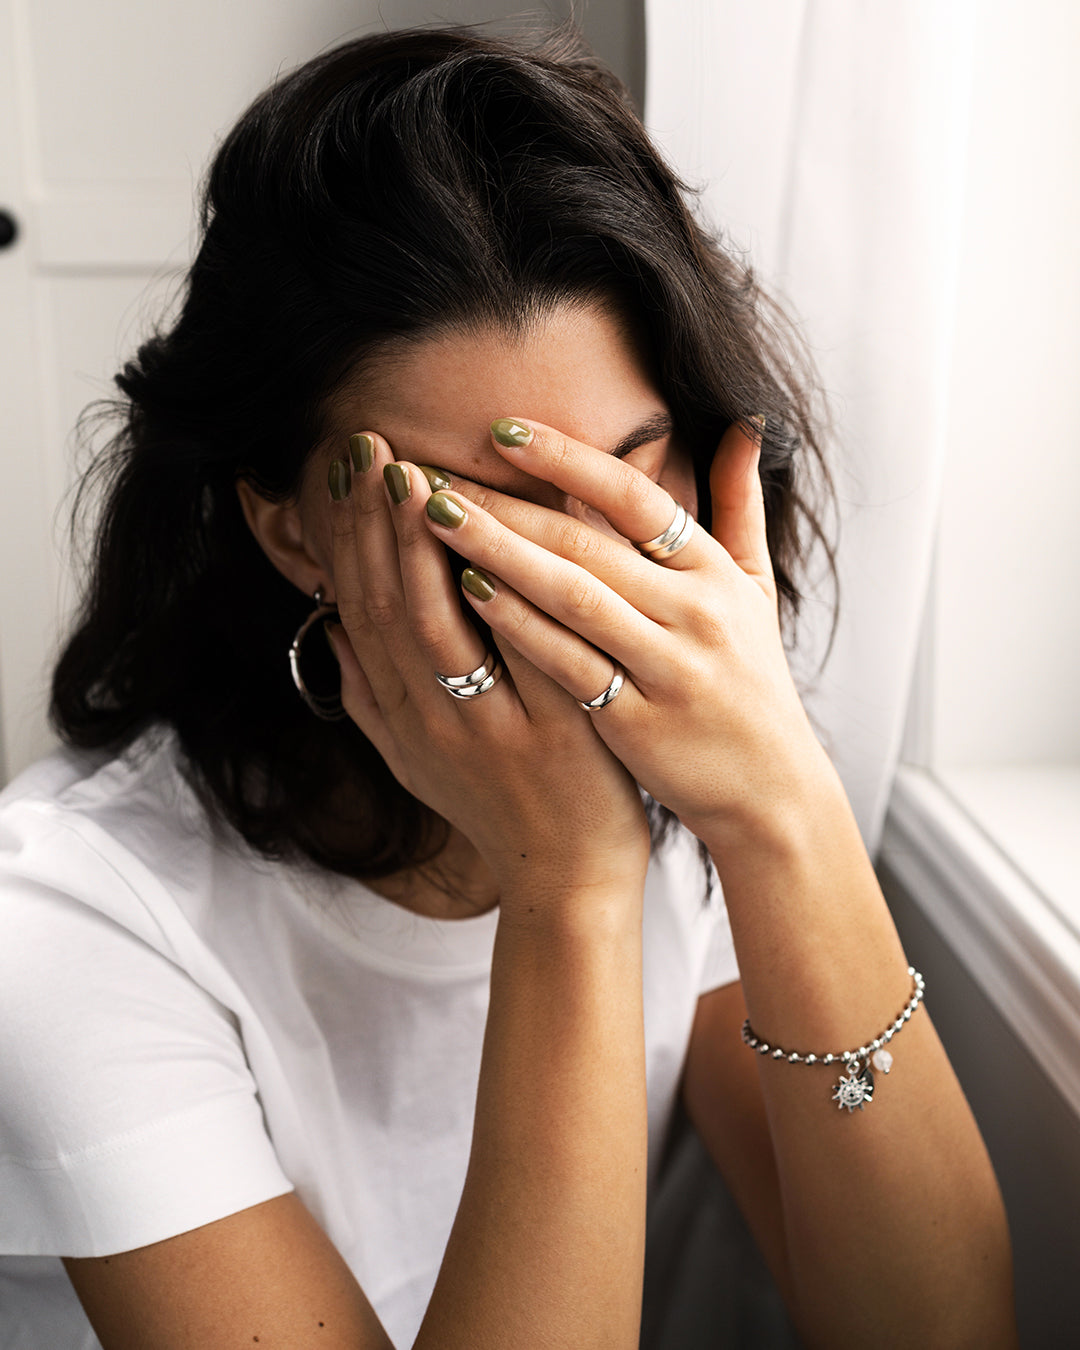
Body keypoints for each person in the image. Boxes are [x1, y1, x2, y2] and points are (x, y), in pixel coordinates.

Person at [0, 25, 1016, 1350]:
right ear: (294, 527)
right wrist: (571, 882)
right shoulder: (74, 920)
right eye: (478, 517)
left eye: (625, 478)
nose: (580, 587)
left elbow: (938, 1331)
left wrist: (783, 799)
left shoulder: (681, 761)